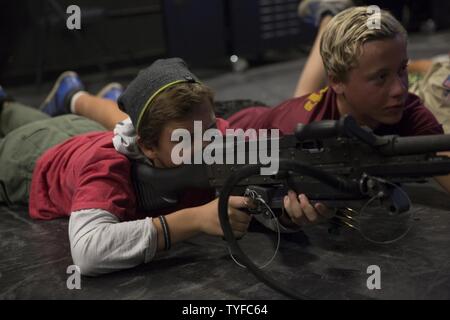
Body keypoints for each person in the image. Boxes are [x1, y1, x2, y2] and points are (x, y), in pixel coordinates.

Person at [1, 58, 326, 276]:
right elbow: (88, 251)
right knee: (13, 119)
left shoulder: (216, 136)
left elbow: (251, 195)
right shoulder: (105, 167)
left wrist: (284, 214)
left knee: (42, 119)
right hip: (29, 159)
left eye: (209, 129)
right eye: (185, 139)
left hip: (80, 132)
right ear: (147, 146)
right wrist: (195, 219)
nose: (207, 145)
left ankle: (45, 102)